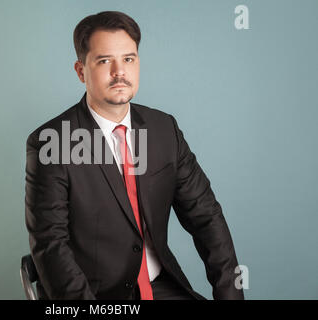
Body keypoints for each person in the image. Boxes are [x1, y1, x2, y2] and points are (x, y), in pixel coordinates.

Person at [25, 11, 244, 300]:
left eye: (128, 59)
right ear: (81, 71)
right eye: (105, 61)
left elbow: (207, 217)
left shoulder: (164, 129)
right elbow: (51, 245)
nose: (120, 72)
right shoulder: (51, 143)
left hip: (161, 287)